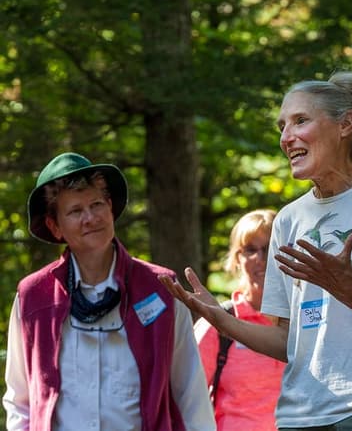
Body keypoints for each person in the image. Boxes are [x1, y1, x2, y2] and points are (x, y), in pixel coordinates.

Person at [159, 71, 352, 431]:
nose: (286, 138)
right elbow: (290, 342)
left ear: (345, 125)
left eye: (300, 121)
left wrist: (348, 290)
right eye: (282, 126)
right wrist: (221, 320)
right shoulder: (289, 219)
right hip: (299, 415)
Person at [2, 152, 216, 431]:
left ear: (111, 207)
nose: (90, 218)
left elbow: (191, 396)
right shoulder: (33, 298)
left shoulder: (161, 290)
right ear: (55, 227)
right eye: (75, 211)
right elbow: (20, 402)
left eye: (97, 204)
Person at [195, 209, 285, 430]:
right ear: (237, 258)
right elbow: (185, 400)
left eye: (270, 248)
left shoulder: (303, 320)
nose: (261, 259)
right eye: (250, 250)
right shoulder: (217, 321)